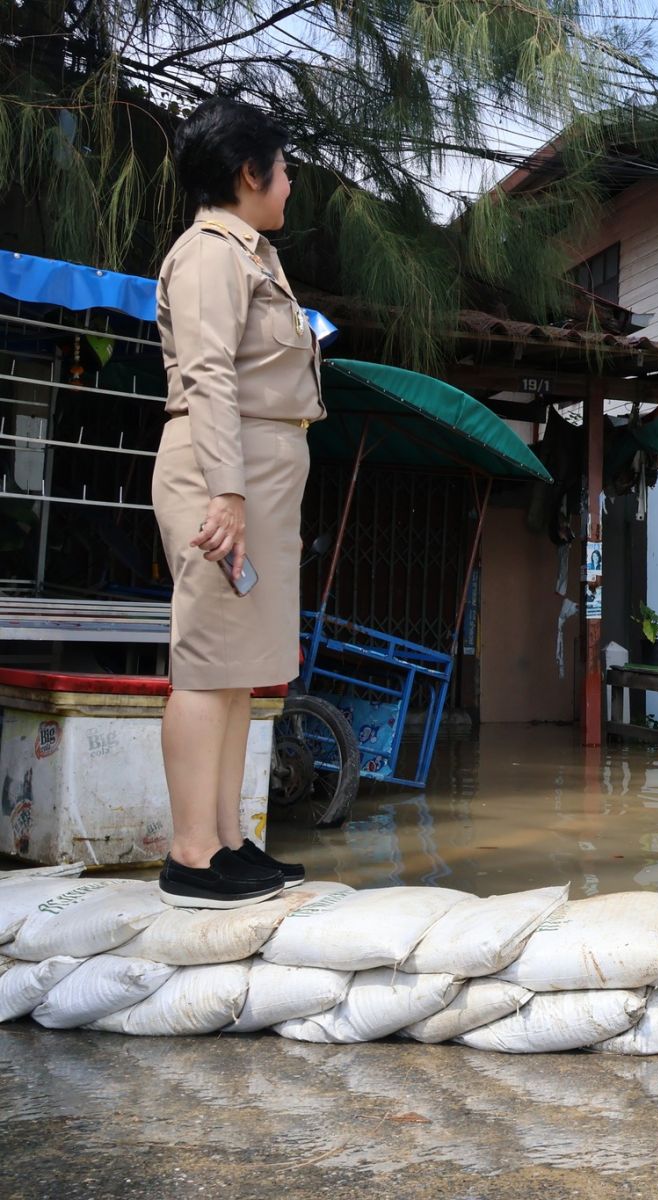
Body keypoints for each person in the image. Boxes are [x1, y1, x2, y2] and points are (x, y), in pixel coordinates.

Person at [152, 97, 325, 908]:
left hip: (254, 469)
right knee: (207, 659)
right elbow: (209, 374)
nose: (289, 183)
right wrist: (228, 490)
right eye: (283, 168)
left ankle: (224, 841)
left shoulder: (250, 253)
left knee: (237, 671)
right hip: (224, 469)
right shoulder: (211, 254)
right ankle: (191, 855)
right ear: (248, 174)